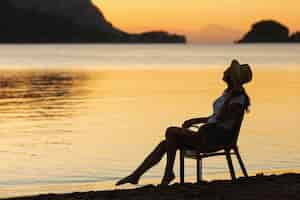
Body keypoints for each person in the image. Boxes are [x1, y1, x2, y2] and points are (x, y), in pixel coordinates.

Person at [116, 60, 253, 186]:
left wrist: (229, 99)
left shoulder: (238, 99)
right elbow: (216, 117)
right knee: (166, 143)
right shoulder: (228, 94)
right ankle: (142, 175)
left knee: (171, 132)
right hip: (208, 134)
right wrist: (196, 120)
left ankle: (160, 175)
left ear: (232, 77)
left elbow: (222, 119)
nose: (224, 72)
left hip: (215, 139)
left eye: (227, 71)